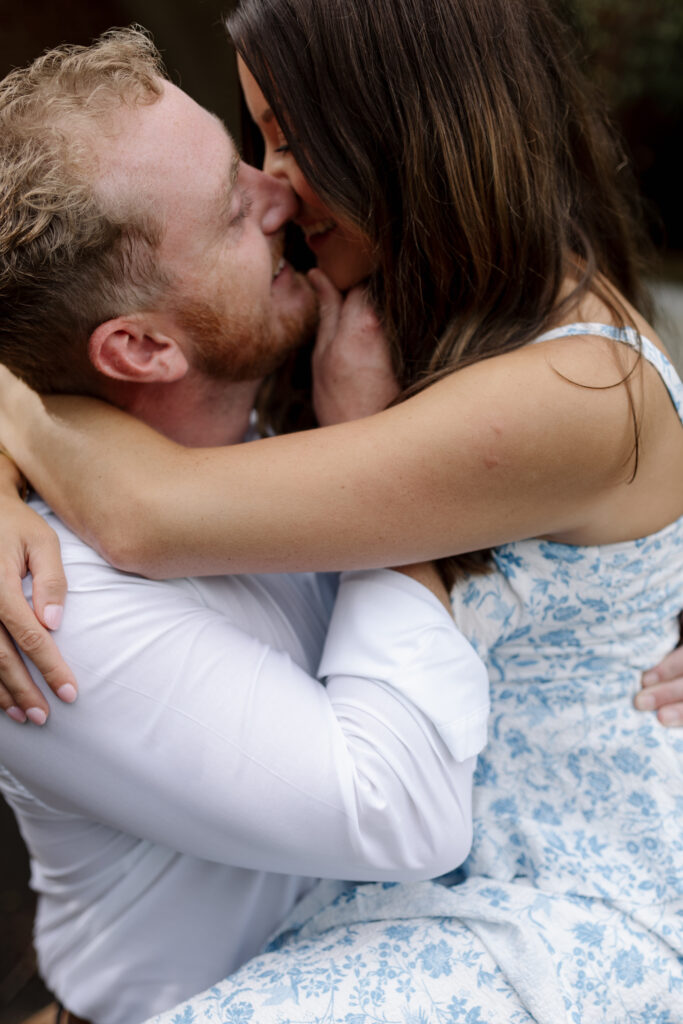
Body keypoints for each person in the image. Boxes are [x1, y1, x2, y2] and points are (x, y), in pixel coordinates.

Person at [0, 0, 680, 1018]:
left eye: (276, 137)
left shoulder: (552, 382)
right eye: (249, 157)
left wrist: (12, 408)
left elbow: (149, 511)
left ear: (390, 130)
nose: (273, 186)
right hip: (421, 908)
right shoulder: (372, 331)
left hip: (552, 902)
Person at [0, 30, 490, 1024]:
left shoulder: (297, 388)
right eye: (232, 209)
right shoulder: (48, 602)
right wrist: (380, 469)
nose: (282, 197)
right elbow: (401, 811)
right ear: (139, 347)